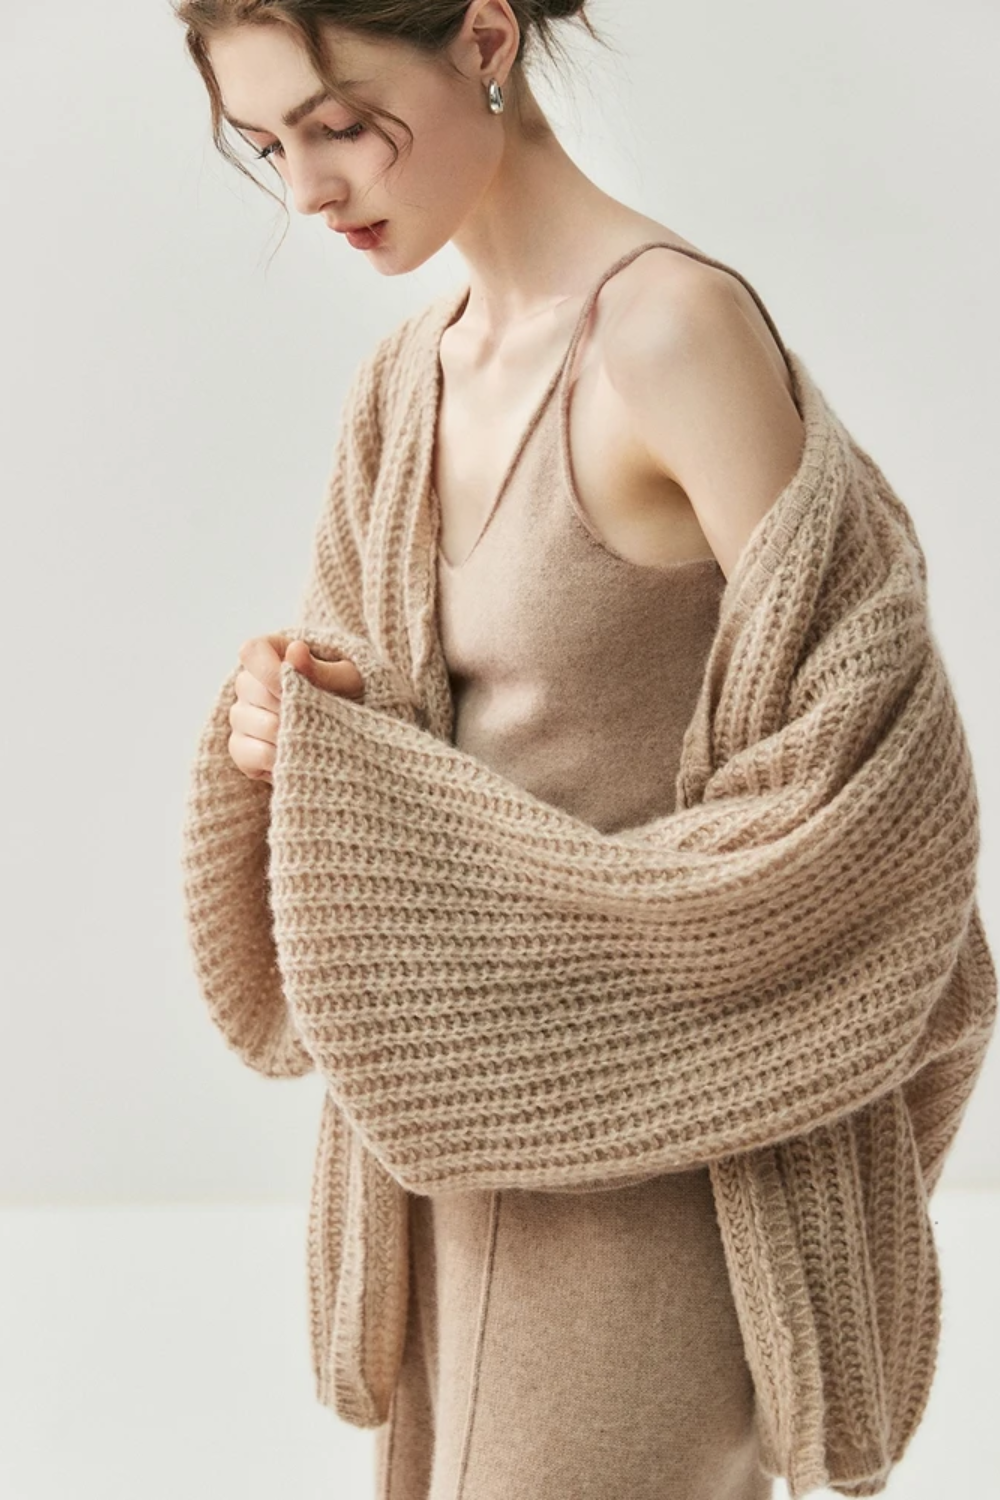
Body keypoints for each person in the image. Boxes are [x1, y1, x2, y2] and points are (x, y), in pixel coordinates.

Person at [174, 4, 992, 1499]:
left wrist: (389, 807)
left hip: (643, 1178)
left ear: (485, 34)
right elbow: (399, 751)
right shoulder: (409, 383)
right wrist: (294, 727)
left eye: (344, 120)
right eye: (268, 143)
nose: (310, 189)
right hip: (449, 1152)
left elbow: (873, 768)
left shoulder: (670, 333)